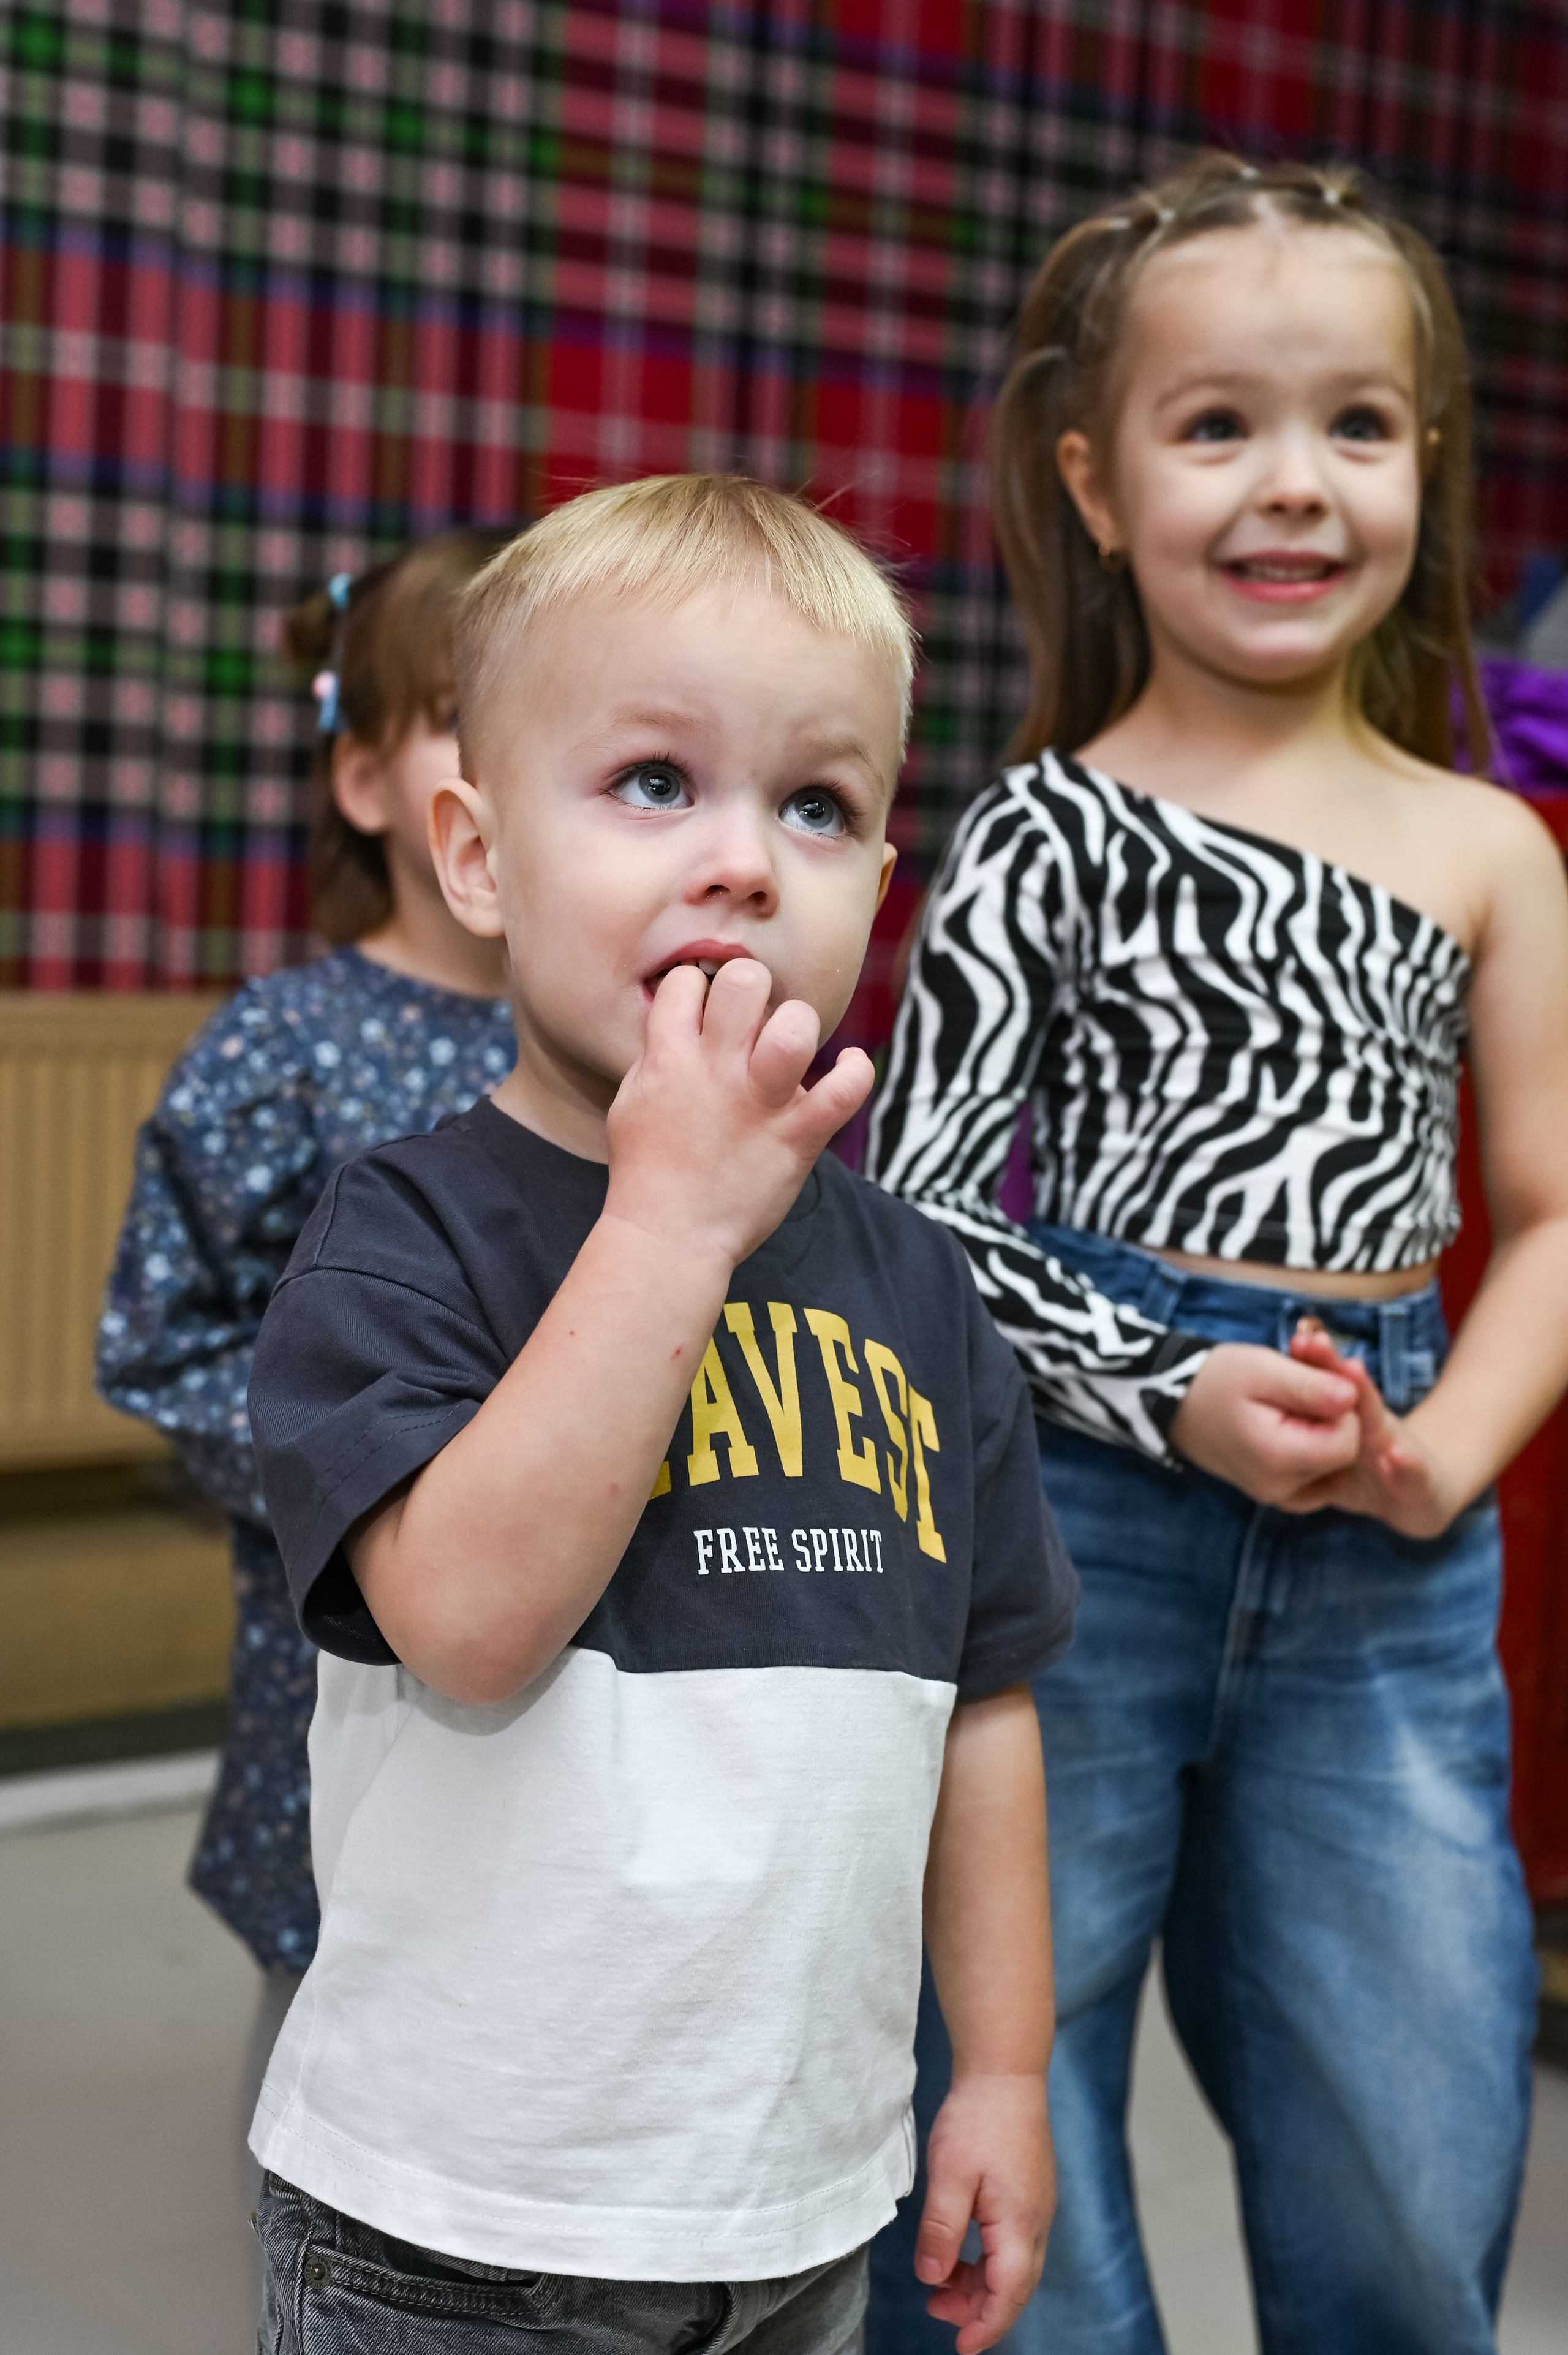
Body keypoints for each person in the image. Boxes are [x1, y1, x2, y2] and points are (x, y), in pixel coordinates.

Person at [242, 474, 1079, 2355]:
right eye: (651, 783)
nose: (740, 862)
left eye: (817, 805)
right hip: (455, 2223)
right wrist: (673, 1219)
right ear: (473, 852)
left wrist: (1006, 2072)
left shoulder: (925, 1292)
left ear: (879, 882)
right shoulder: (401, 1233)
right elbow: (465, 1621)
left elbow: (988, 1703)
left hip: (797, 2204)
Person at [865, 153, 1568, 2355]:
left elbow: (1548, 1210)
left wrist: (1449, 1452)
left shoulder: (1486, 845)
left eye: (1355, 425)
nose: (1295, 485)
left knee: (1410, 2113)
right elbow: (921, 1227)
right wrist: (1162, 1378)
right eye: (1218, 426)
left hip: (1387, 1555)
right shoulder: (1035, 834)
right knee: (1003, 2098)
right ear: (1094, 480)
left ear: (1425, 468)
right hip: (1076, 1524)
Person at [94, 531, 516, 2237]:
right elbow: (167, 1333)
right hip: (347, 1646)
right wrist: (364, 1491)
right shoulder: (284, 1044)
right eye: (458, 721)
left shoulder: (650, 1034)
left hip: (601, 1646)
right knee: (340, 2033)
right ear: (365, 775)